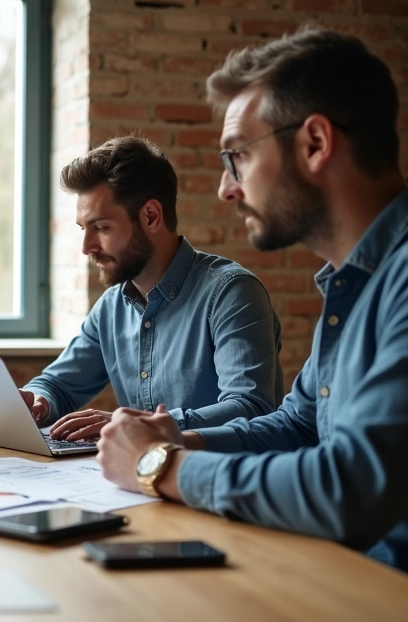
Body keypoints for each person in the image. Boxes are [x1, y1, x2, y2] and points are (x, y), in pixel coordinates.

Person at [95, 28, 408, 594]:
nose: (226, 189)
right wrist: (182, 441)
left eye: (238, 155)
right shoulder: (358, 278)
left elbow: (351, 489)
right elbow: (299, 423)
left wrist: (162, 467)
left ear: (315, 143)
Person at [19, 137, 283, 441]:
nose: (86, 247)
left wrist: (144, 427)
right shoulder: (111, 308)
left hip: (221, 480)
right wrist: (37, 402)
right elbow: (57, 386)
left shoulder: (231, 293)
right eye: (84, 229)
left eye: (102, 228)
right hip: (142, 480)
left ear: (151, 217)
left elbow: (249, 408)